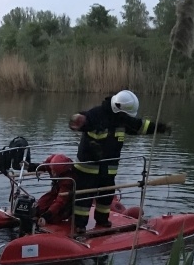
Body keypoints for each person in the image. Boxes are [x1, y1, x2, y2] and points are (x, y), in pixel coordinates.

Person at [68, 90, 171, 232]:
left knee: (106, 197)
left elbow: (139, 126)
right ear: (119, 109)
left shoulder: (122, 118)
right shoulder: (95, 114)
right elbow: (79, 122)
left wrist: (160, 127)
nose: (127, 117)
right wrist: (77, 120)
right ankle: (79, 226)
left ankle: (102, 221)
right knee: (83, 198)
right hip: (88, 168)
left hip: (108, 169)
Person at [34, 154, 76, 226]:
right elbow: (44, 166)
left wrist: (46, 216)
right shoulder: (51, 161)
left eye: (55, 172)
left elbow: (60, 200)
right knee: (40, 206)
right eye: (52, 170)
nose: (53, 173)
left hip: (66, 196)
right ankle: (36, 213)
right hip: (56, 189)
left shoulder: (68, 179)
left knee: (54, 216)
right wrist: (32, 166)